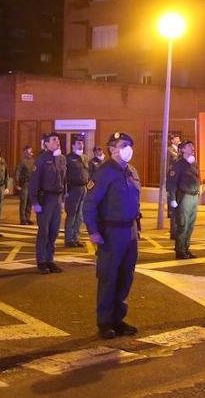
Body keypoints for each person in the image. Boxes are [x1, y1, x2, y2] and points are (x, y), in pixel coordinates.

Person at [84, 132, 143, 339]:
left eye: (130, 144)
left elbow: (136, 202)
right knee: (109, 277)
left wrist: (138, 228)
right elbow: (90, 203)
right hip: (111, 232)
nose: (129, 148)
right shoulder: (104, 172)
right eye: (123, 145)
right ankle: (105, 322)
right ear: (112, 149)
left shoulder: (132, 171)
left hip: (130, 231)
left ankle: (118, 319)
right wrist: (93, 231)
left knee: (126, 276)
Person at [30, 132, 68, 273]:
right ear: (46, 143)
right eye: (53, 140)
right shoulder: (41, 160)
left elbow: (64, 181)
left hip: (57, 200)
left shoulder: (61, 159)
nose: (57, 142)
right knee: (44, 232)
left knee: (54, 232)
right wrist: (35, 202)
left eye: (57, 139)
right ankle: (41, 261)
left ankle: (50, 260)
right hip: (45, 199)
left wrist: (63, 199)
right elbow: (34, 182)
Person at [167, 139, 201, 259]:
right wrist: (172, 199)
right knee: (183, 224)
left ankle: (186, 248)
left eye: (192, 145)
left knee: (190, 224)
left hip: (193, 197)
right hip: (184, 197)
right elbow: (171, 182)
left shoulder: (193, 163)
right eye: (189, 146)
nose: (192, 148)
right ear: (182, 149)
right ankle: (180, 250)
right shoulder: (178, 164)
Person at [63, 136, 89, 248]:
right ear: (73, 145)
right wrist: (65, 191)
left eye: (82, 143)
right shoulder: (68, 158)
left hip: (83, 189)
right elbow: (64, 176)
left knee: (80, 216)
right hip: (73, 189)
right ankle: (69, 239)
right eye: (78, 143)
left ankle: (76, 238)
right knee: (72, 215)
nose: (81, 145)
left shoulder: (84, 157)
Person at [14, 145, 35, 225]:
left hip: (31, 184)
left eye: (31, 151)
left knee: (29, 202)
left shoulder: (33, 161)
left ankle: (27, 218)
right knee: (24, 202)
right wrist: (17, 184)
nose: (31, 153)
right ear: (25, 153)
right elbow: (17, 172)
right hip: (24, 184)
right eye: (29, 151)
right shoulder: (22, 161)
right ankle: (22, 219)